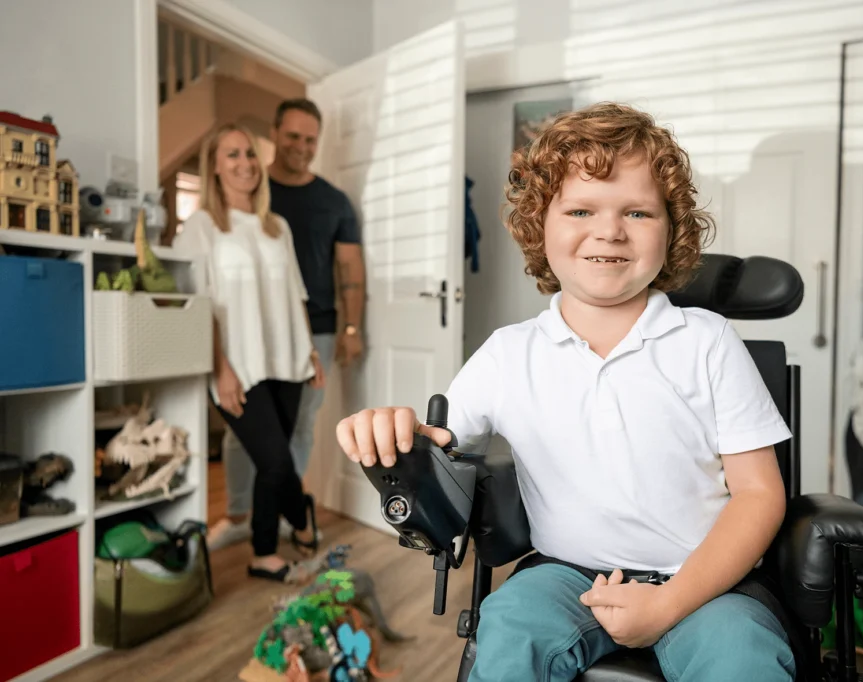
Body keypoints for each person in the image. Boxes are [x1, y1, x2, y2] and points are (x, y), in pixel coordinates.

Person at [334, 102, 797, 680]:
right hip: (566, 575)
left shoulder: (706, 341)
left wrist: (669, 603)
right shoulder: (509, 353)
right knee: (508, 634)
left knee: (743, 658)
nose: (609, 230)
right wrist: (392, 437)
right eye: (580, 209)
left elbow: (759, 495)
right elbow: (437, 442)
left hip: (701, 581)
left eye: (638, 212)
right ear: (539, 225)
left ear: (671, 230)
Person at [207, 99, 366, 551]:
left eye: (310, 139)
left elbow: (350, 267)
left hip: (310, 329)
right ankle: (241, 514)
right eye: (293, 136)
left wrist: (351, 328)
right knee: (246, 435)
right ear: (275, 133)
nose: (301, 146)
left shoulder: (331, 201)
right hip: (247, 335)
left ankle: (279, 514)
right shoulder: (245, 197)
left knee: (297, 430)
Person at [175, 123, 324, 582]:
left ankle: (266, 551)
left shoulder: (275, 225)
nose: (245, 164)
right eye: (233, 156)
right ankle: (299, 519)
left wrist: (310, 353)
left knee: (271, 463)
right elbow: (198, 306)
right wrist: (221, 369)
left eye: (249, 154)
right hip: (237, 365)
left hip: (288, 358)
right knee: (276, 460)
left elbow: (295, 293)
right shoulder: (202, 227)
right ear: (215, 168)